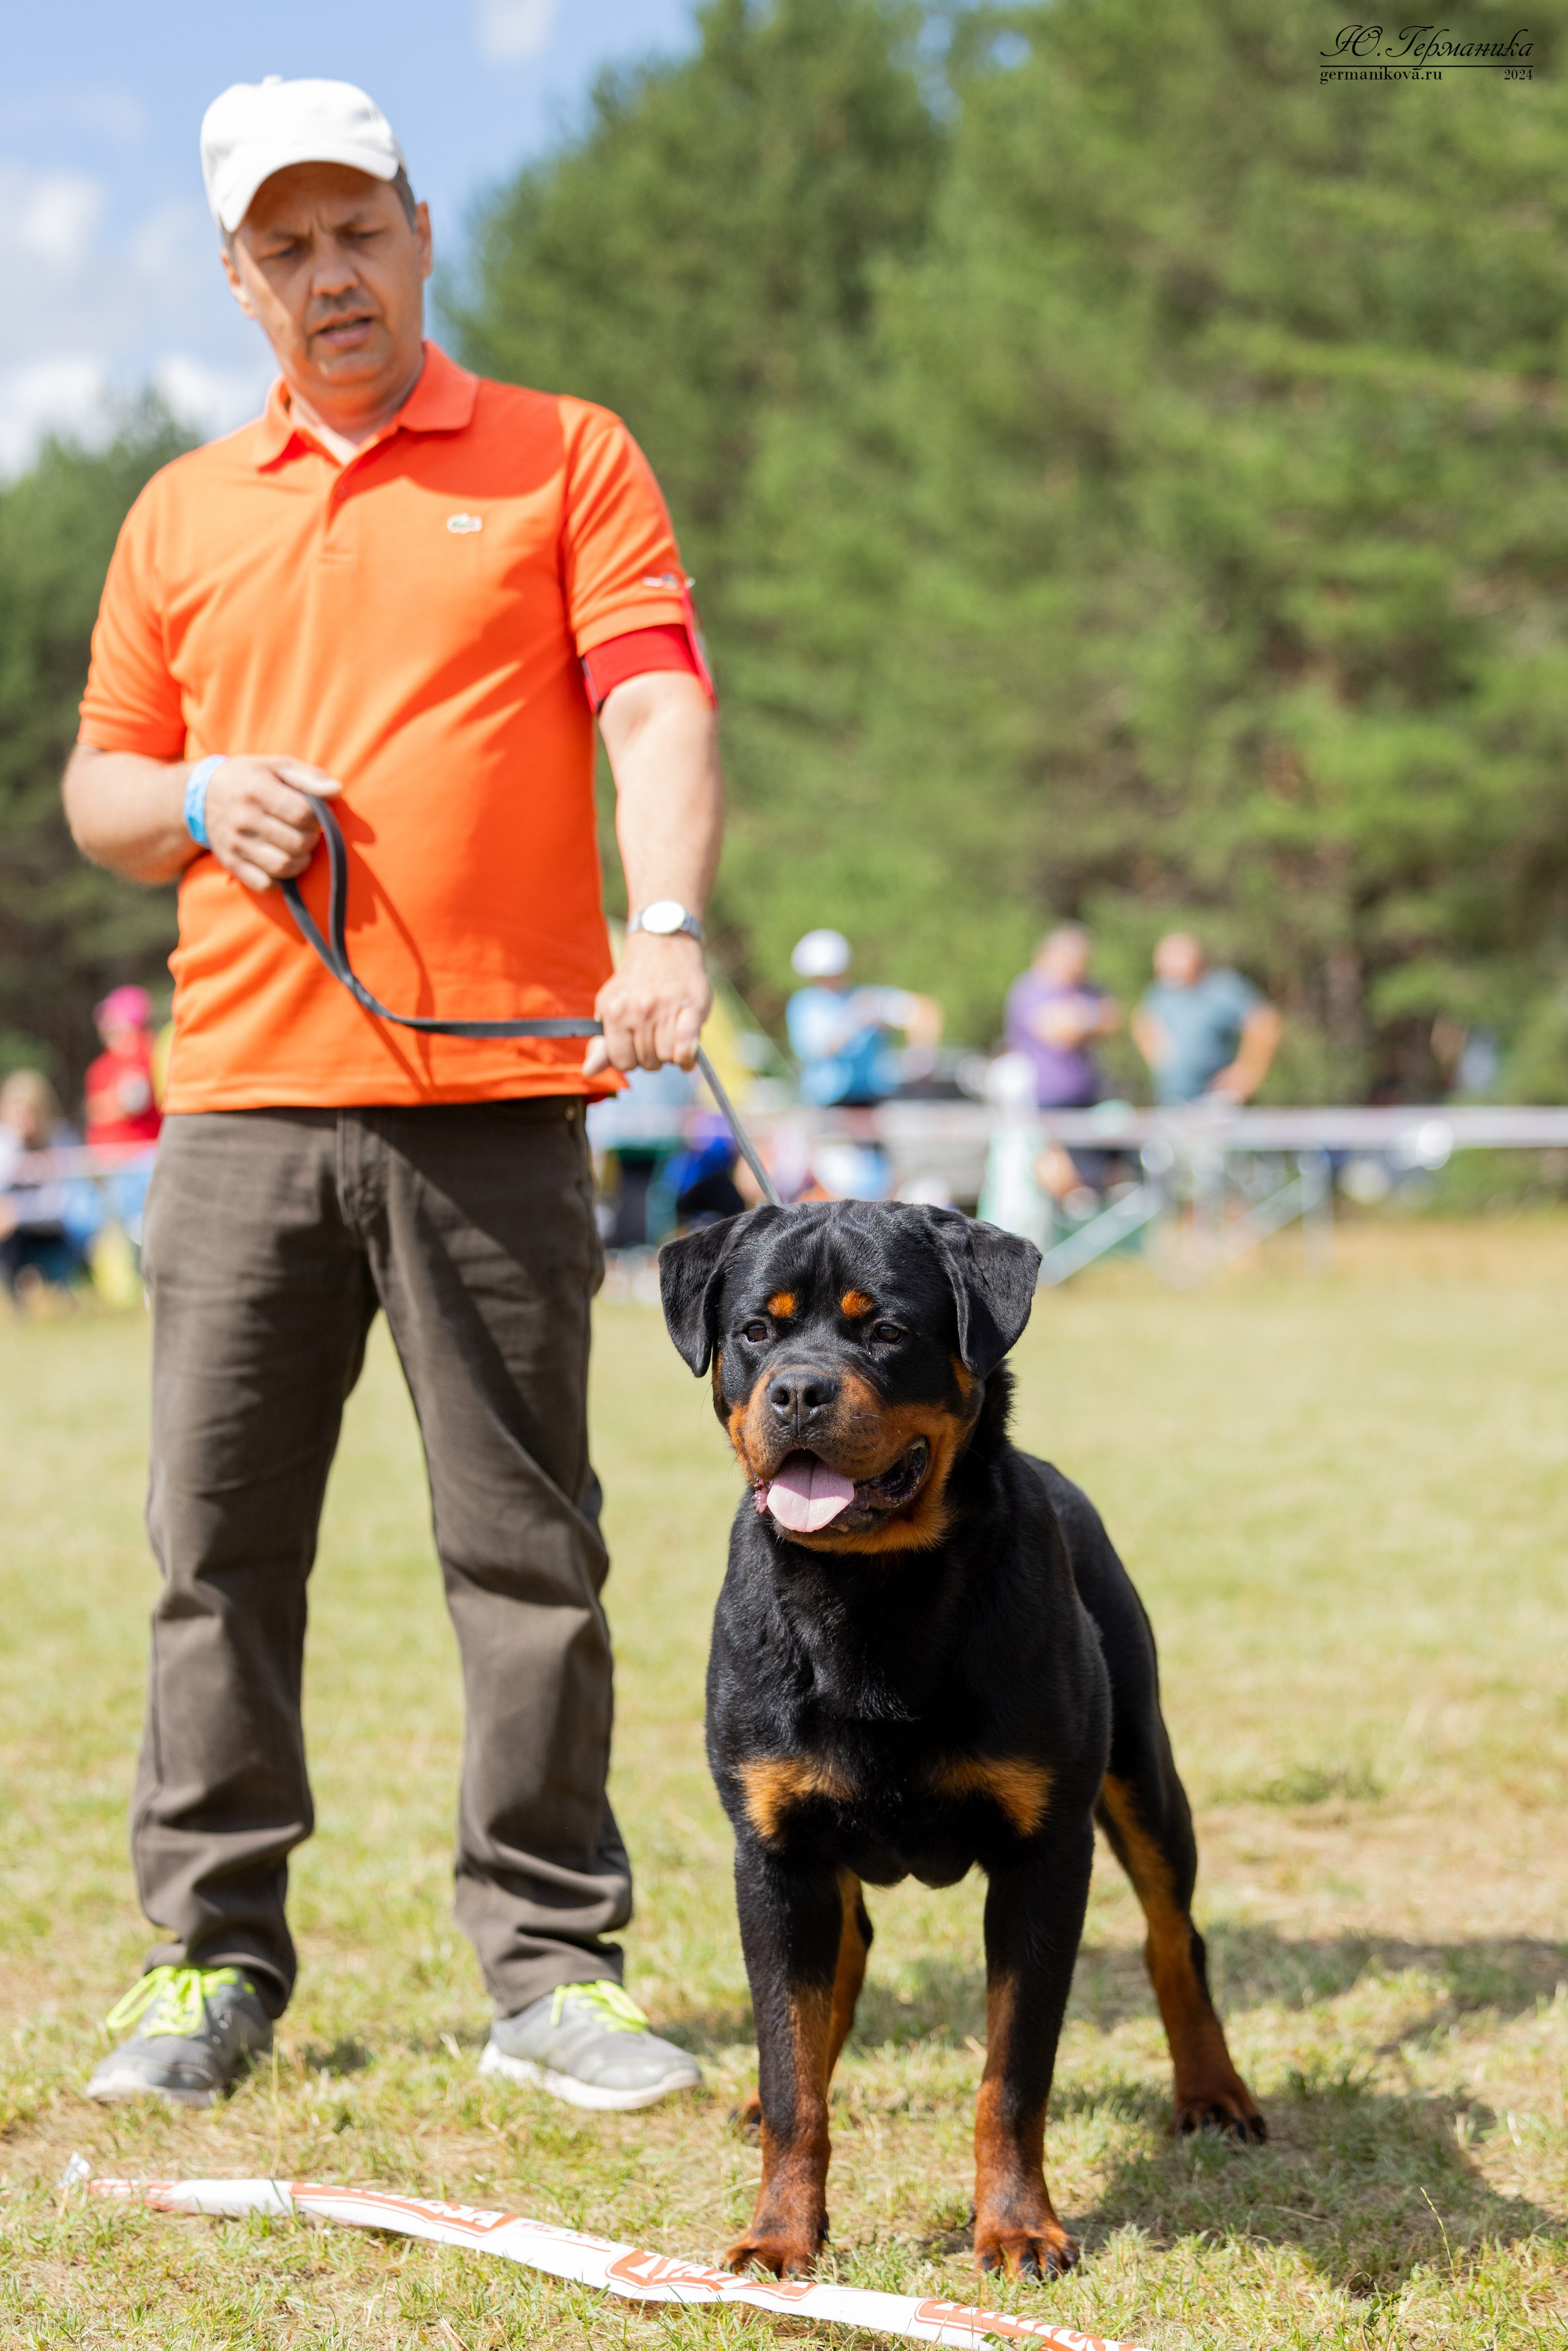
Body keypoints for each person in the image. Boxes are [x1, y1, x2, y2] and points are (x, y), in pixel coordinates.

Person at [62, 77, 721, 2113]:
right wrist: (190, 796)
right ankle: (209, 1954)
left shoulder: (562, 454)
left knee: (529, 1547)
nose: (329, 272)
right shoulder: (178, 510)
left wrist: (670, 922)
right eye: (287, 245)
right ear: (237, 277)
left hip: (500, 1101)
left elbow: (656, 694)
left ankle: (550, 1963)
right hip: (243, 1103)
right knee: (219, 1548)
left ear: (423, 233)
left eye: (359, 229)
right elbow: (97, 792)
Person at [1003, 924, 1121, 1210]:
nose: (1080, 968)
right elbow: (1057, 1033)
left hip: (1087, 1096)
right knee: (1056, 1172)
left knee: (1103, 1169)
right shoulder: (1029, 989)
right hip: (1043, 1101)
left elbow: (1113, 1018)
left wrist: (1078, 1018)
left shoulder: (1085, 988)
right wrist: (1088, 1017)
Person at [785, 930, 943, 1109]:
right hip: (827, 1102)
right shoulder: (804, 1005)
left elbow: (922, 1008)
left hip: (871, 1098)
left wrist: (922, 1053)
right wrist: (856, 1019)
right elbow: (818, 1050)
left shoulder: (867, 997)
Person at [1133, 932, 1281, 1106]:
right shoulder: (1162, 991)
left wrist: (1248, 1072)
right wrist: (1157, 1055)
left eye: (1173, 956)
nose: (1162, 965)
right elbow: (1142, 1021)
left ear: (1196, 958)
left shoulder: (1222, 988)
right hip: (1172, 1101)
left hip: (1215, 1100)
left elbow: (1265, 1022)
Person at [0, 1071, 93, 1299]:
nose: (23, 1119)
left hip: (54, 1233)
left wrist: (19, 1210)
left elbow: (61, 1202)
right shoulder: (5, 1144)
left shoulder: (60, 1139)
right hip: (12, 1238)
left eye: (30, 1112)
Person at [84, 985, 163, 1150]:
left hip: (138, 1155)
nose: (104, 1025)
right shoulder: (102, 1064)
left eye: (111, 1018)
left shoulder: (147, 1054)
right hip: (106, 1158)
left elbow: (135, 1101)